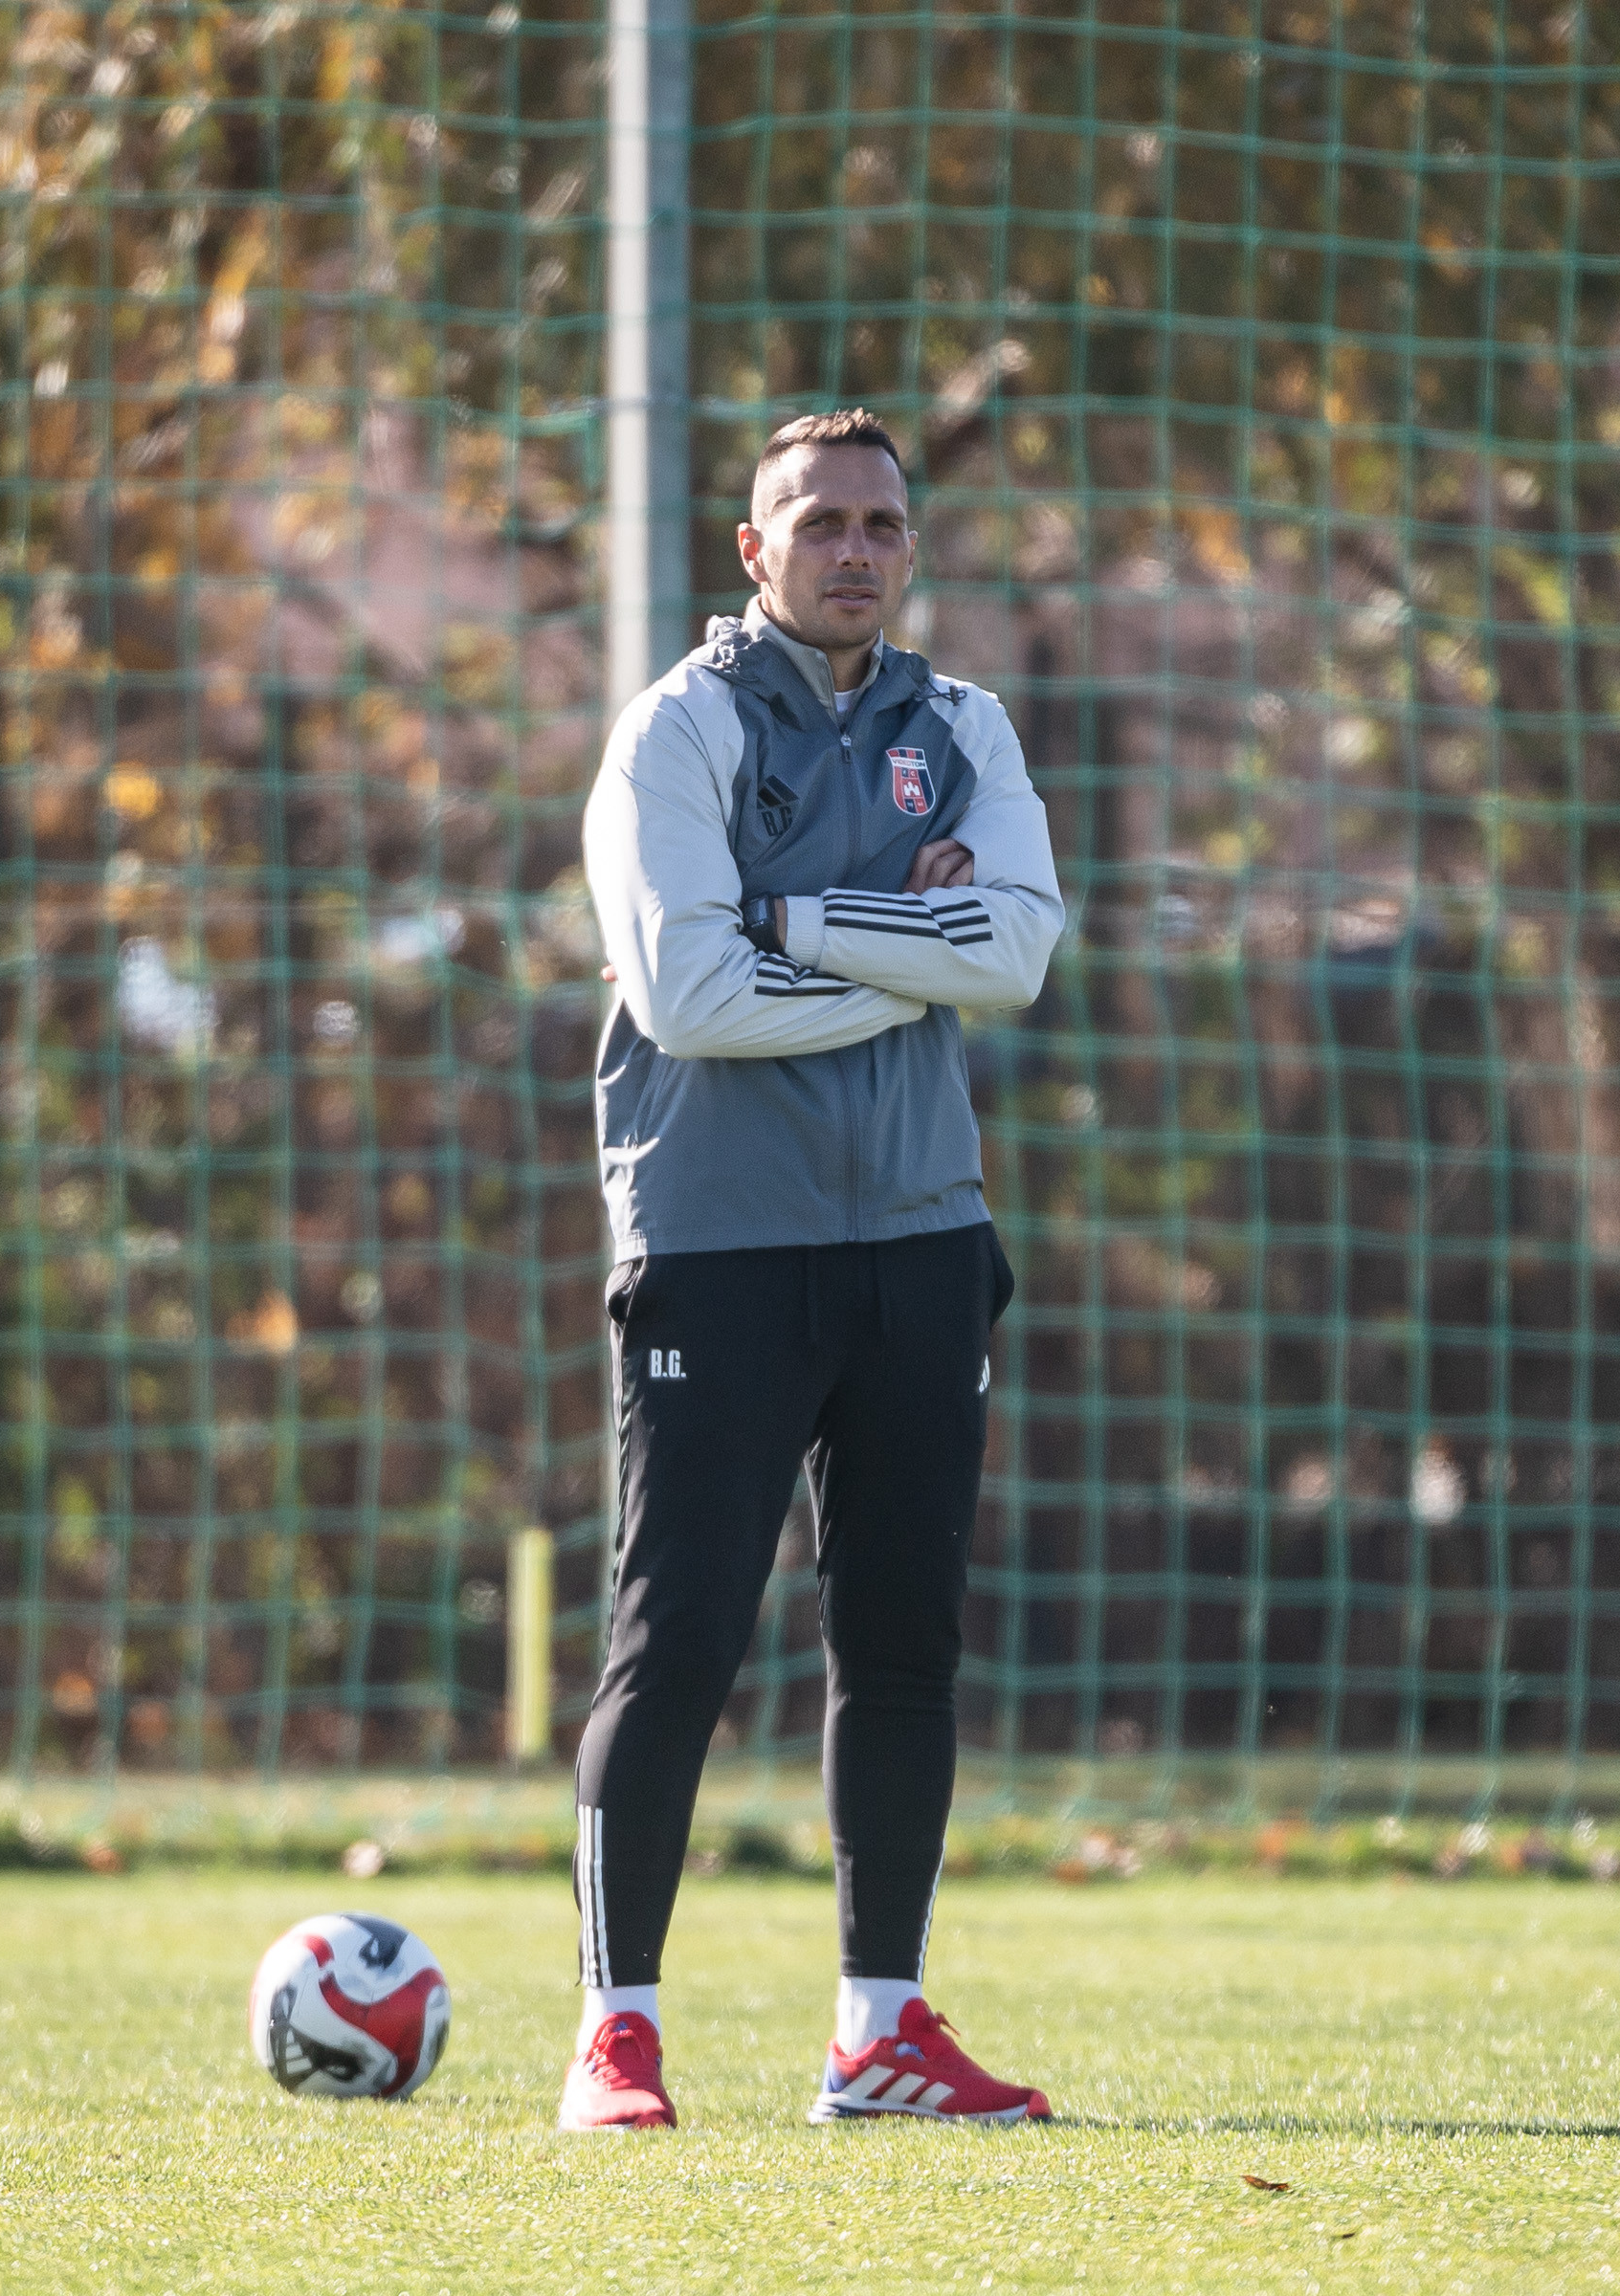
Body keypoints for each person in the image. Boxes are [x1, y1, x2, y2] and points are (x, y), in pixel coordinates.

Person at [562, 408, 1064, 2130]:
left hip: (923, 1234)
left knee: (903, 1645)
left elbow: (1018, 954)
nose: (855, 549)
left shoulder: (965, 726)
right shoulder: (676, 731)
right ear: (753, 548)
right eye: (821, 521)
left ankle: (881, 2033)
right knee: (680, 1639)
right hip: (720, 1239)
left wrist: (790, 915)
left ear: (909, 549)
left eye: (882, 524)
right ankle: (615, 2035)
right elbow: (686, 997)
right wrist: (910, 944)